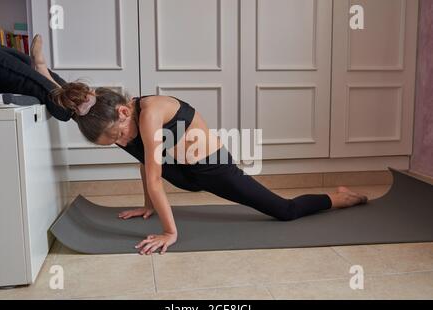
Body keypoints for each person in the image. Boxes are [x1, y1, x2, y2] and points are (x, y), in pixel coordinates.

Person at [30, 35, 368, 255]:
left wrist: (168, 232)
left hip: (212, 171)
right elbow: (88, 114)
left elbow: (151, 174)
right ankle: (43, 72)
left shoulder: (147, 115)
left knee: (284, 211)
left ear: (123, 110)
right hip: (179, 170)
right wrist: (43, 70)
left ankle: (341, 197)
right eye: (113, 140)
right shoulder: (120, 121)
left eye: (117, 134)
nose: (120, 140)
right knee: (94, 123)